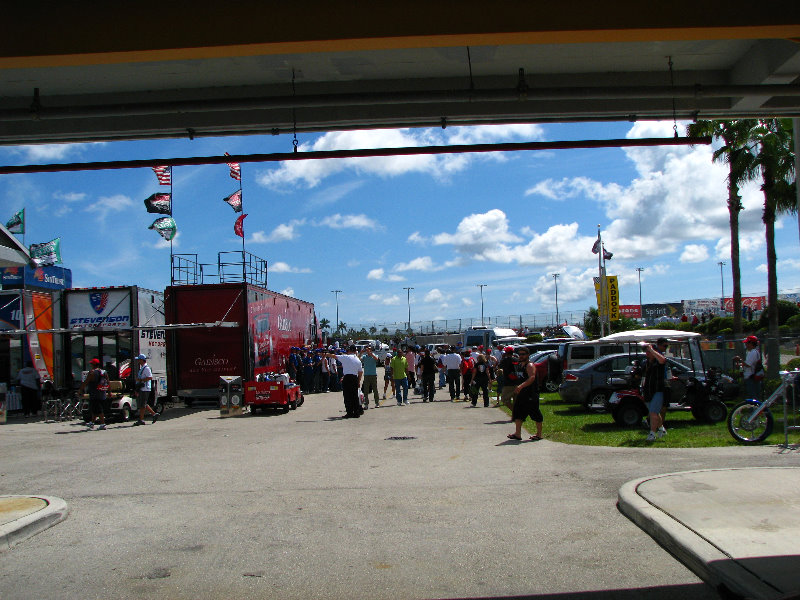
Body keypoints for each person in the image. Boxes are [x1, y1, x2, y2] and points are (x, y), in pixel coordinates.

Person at [506, 347, 543, 441]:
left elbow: (532, 378)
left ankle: (539, 434)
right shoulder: (519, 365)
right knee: (517, 412)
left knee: (535, 413)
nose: (521, 356)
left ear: (528, 355)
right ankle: (517, 434)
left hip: (531, 393)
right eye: (520, 354)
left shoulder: (529, 365)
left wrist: (521, 386)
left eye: (523, 354)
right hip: (522, 394)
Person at [642, 338, 669, 442]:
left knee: (653, 412)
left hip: (658, 390)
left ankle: (652, 434)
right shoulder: (646, 363)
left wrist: (652, 350)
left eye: (649, 352)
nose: (647, 353)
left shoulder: (658, 362)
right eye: (646, 351)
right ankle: (661, 429)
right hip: (648, 390)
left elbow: (663, 360)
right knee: (655, 413)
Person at [327, 346, 363, 418]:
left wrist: (326, 354)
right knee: (354, 396)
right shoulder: (358, 360)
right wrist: (358, 381)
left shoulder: (345, 357)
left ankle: (349, 412)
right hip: (354, 378)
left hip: (347, 377)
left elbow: (334, 356)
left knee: (347, 396)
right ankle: (356, 412)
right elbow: (360, 372)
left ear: (349, 350)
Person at [79, 358, 107, 430]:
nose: (90, 365)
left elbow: (86, 382)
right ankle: (92, 423)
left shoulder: (92, 372)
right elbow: (108, 381)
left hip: (94, 393)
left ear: (93, 365)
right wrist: (109, 392)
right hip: (102, 392)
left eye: (91, 364)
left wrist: (80, 390)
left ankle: (103, 424)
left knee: (98, 409)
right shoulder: (104, 372)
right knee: (95, 408)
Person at [734, 335, 763, 401]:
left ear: (751, 343)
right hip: (750, 377)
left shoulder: (753, 352)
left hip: (752, 377)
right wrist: (740, 364)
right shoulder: (750, 352)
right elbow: (748, 364)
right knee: (751, 396)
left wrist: (739, 359)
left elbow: (748, 364)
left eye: (747, 343)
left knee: (753, 396)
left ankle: (755, 410)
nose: (745, 344)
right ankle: (754, 409)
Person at [134, 353, 159, 425]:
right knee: (144, 403)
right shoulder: (142, 368)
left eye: (139, 359)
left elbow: (150, 377)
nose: (138, 361)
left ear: (142, 360)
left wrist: (141, 380)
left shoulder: (146, 368)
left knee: (142, 404)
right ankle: (154, 414)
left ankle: (141, 419)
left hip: (145, 388)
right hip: (142, 388)